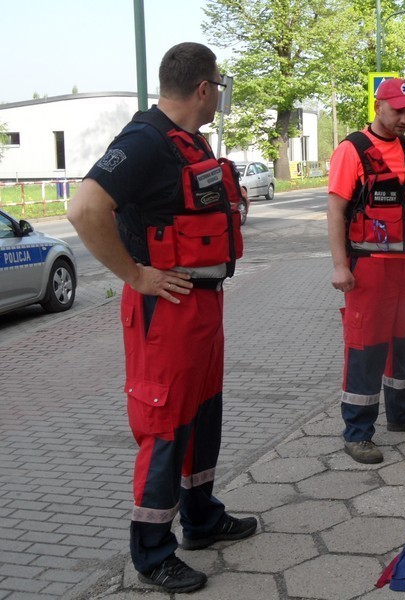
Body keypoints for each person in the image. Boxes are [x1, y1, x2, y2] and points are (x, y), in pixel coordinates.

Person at [67, 42, 256, 593]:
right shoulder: (144, 141)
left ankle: (201, 519)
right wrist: (136, 275)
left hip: (200, 303)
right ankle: (152, 553)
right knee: (165, 426)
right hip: (165, 309)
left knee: (202, 417)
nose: (219, 94)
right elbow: (83, 208)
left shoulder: (188, 142)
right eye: (218, 85)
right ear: (203, 89)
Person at [327, 78, 405, 465]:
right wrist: (341, 266)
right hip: (369, 269)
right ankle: (358, 432)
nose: (404, 118)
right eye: (397, 110)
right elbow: (336, 211)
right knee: (366, 348)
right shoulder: (352, 150)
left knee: (402, 344)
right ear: (379, 106)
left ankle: (403, 414)